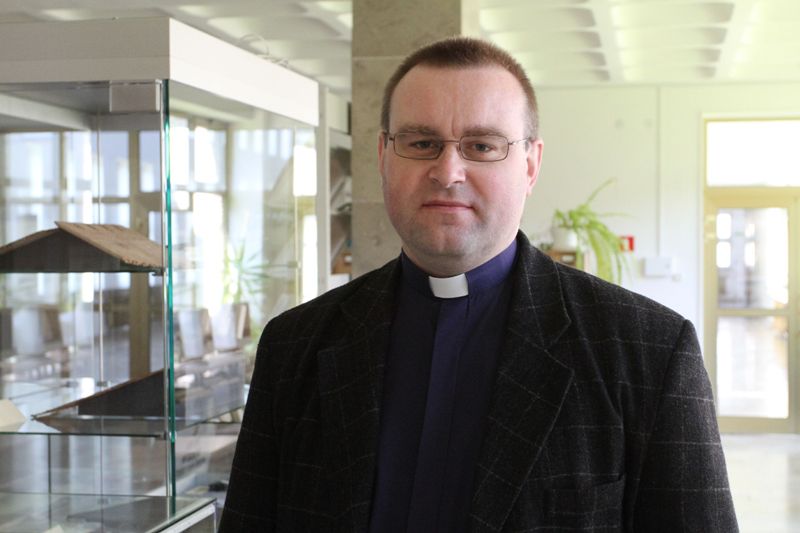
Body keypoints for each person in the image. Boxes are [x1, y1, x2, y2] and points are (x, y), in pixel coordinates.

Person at [219, 37, 738, 532]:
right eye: (421, 143)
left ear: (530, 165)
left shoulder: (648, 352)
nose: (448, 171)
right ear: (382, 157)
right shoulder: (295, 346)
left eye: (482, 146)